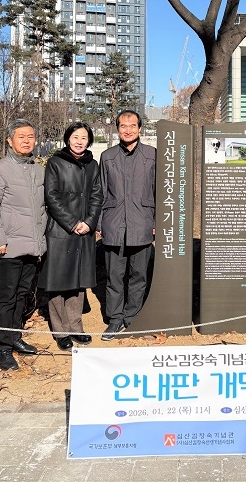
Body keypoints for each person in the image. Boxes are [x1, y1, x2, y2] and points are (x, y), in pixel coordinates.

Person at [0, 119, 47, 371]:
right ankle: (2, 347)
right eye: (21, 136)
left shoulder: (39, 170)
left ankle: (15, 336)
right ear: (10, 140)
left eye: (30, 136)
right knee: (6, 297)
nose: (26, 141)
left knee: (23, 294)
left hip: (33, 244)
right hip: (9, 246)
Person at [39, 122, 102, 351]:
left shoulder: (92, 165)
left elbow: (97, 195)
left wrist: (89, 222)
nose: (79, 141)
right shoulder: (55, 162)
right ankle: (61, 331)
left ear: (89, 141)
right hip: (61, 229)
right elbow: (51, 197)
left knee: (78, 281)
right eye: (75, 137)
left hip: (85, 231)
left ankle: (76, 327)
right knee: (58, 281)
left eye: (84, 138)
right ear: (68, 139)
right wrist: (73, 223)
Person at [99, 110, 156, 341]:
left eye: (133, 125)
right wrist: (100, 223)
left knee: (139, 276)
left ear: (140, 128)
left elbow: (159, 191)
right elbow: (102, 192)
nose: (128, 130)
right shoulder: (107, 156)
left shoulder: (152, 155)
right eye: (123, 126)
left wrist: (156, 222)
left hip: (143, 223)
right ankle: (114, 319)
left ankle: (132, 318)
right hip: (114, 225)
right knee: (114, 276)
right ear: (117, 129)